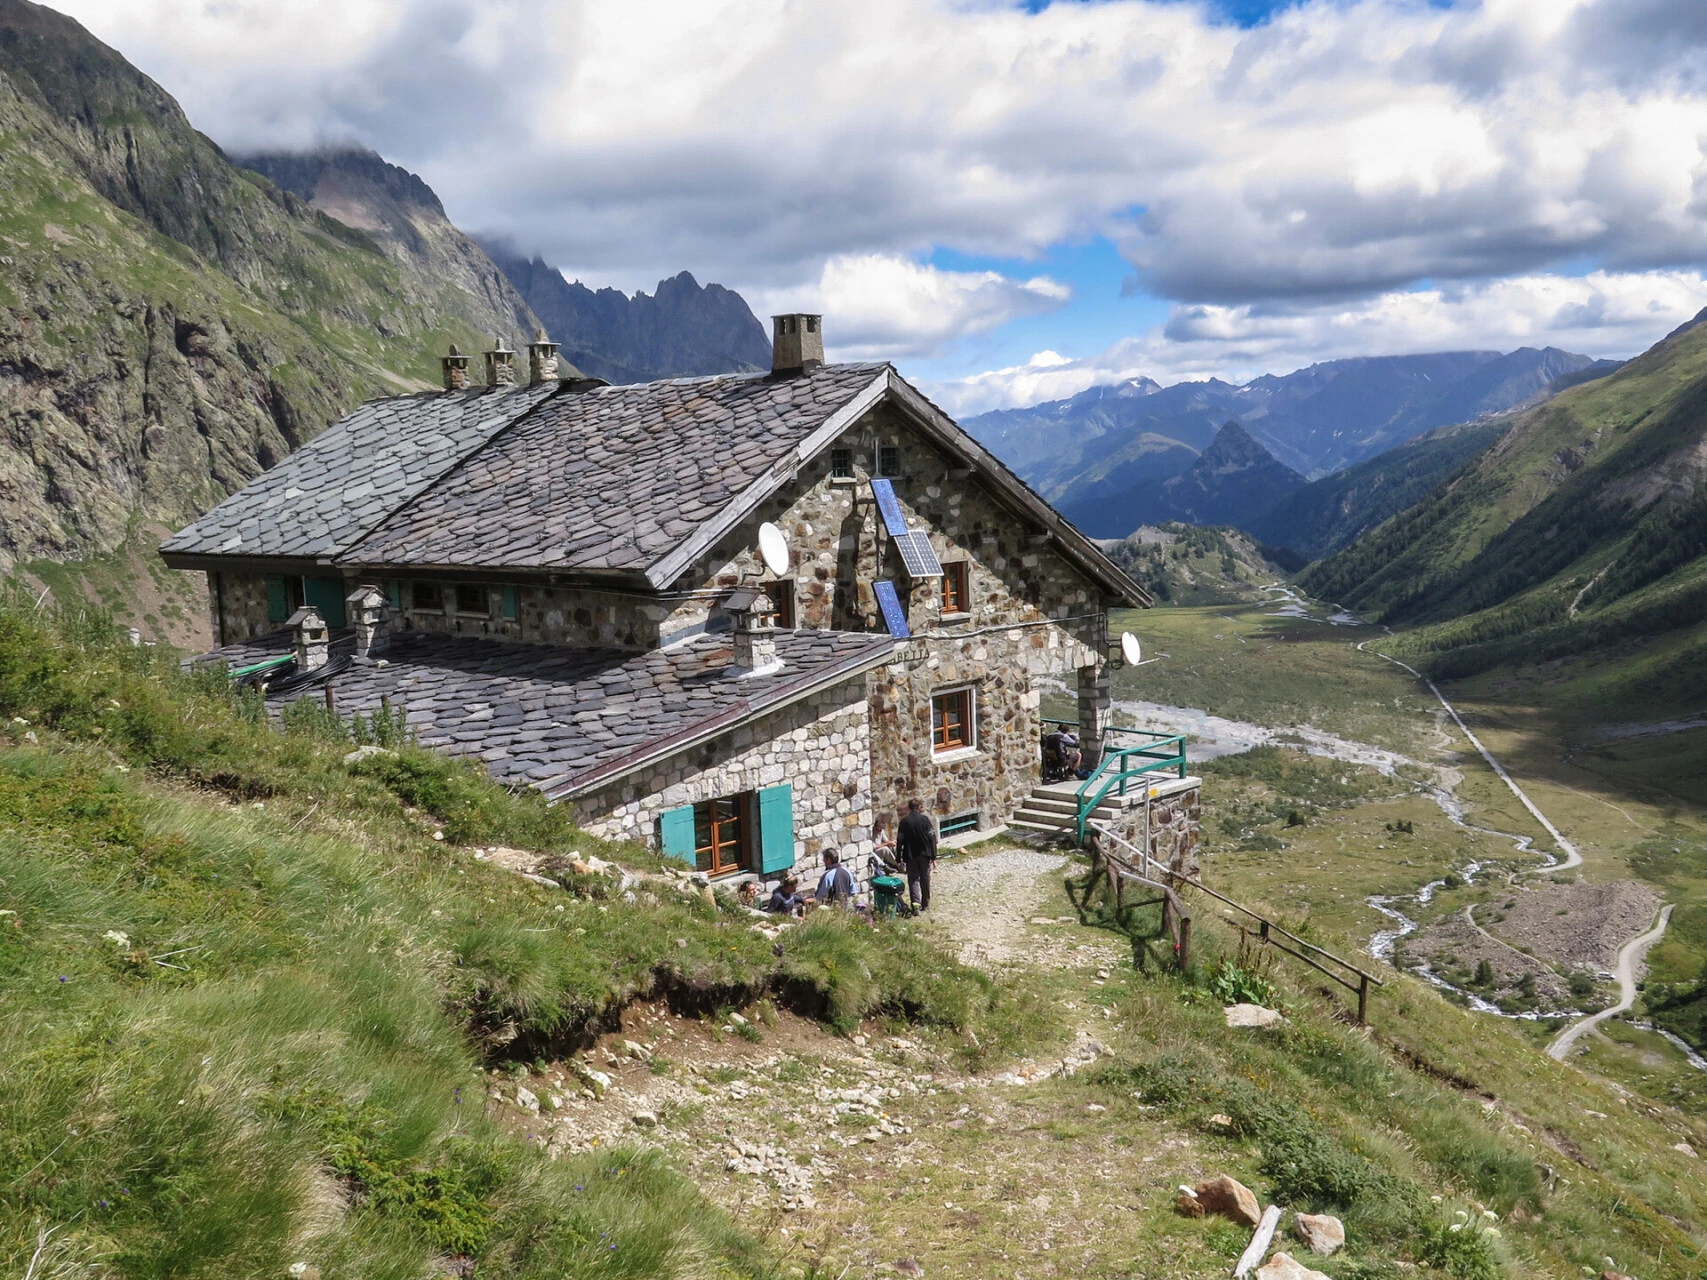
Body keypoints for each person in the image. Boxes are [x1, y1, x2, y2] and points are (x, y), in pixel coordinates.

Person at [895, 798, 937, 914]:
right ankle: (926, 904)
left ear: (909, 808)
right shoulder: (925, 820)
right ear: (919, 807)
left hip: (910, 855)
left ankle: (916, 906)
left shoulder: (904, 822)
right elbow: (932, 838)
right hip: (924, 854)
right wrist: (933, 855)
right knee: (925, 878)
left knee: (913, 880)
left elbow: (900, 841)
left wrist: (898, 857)